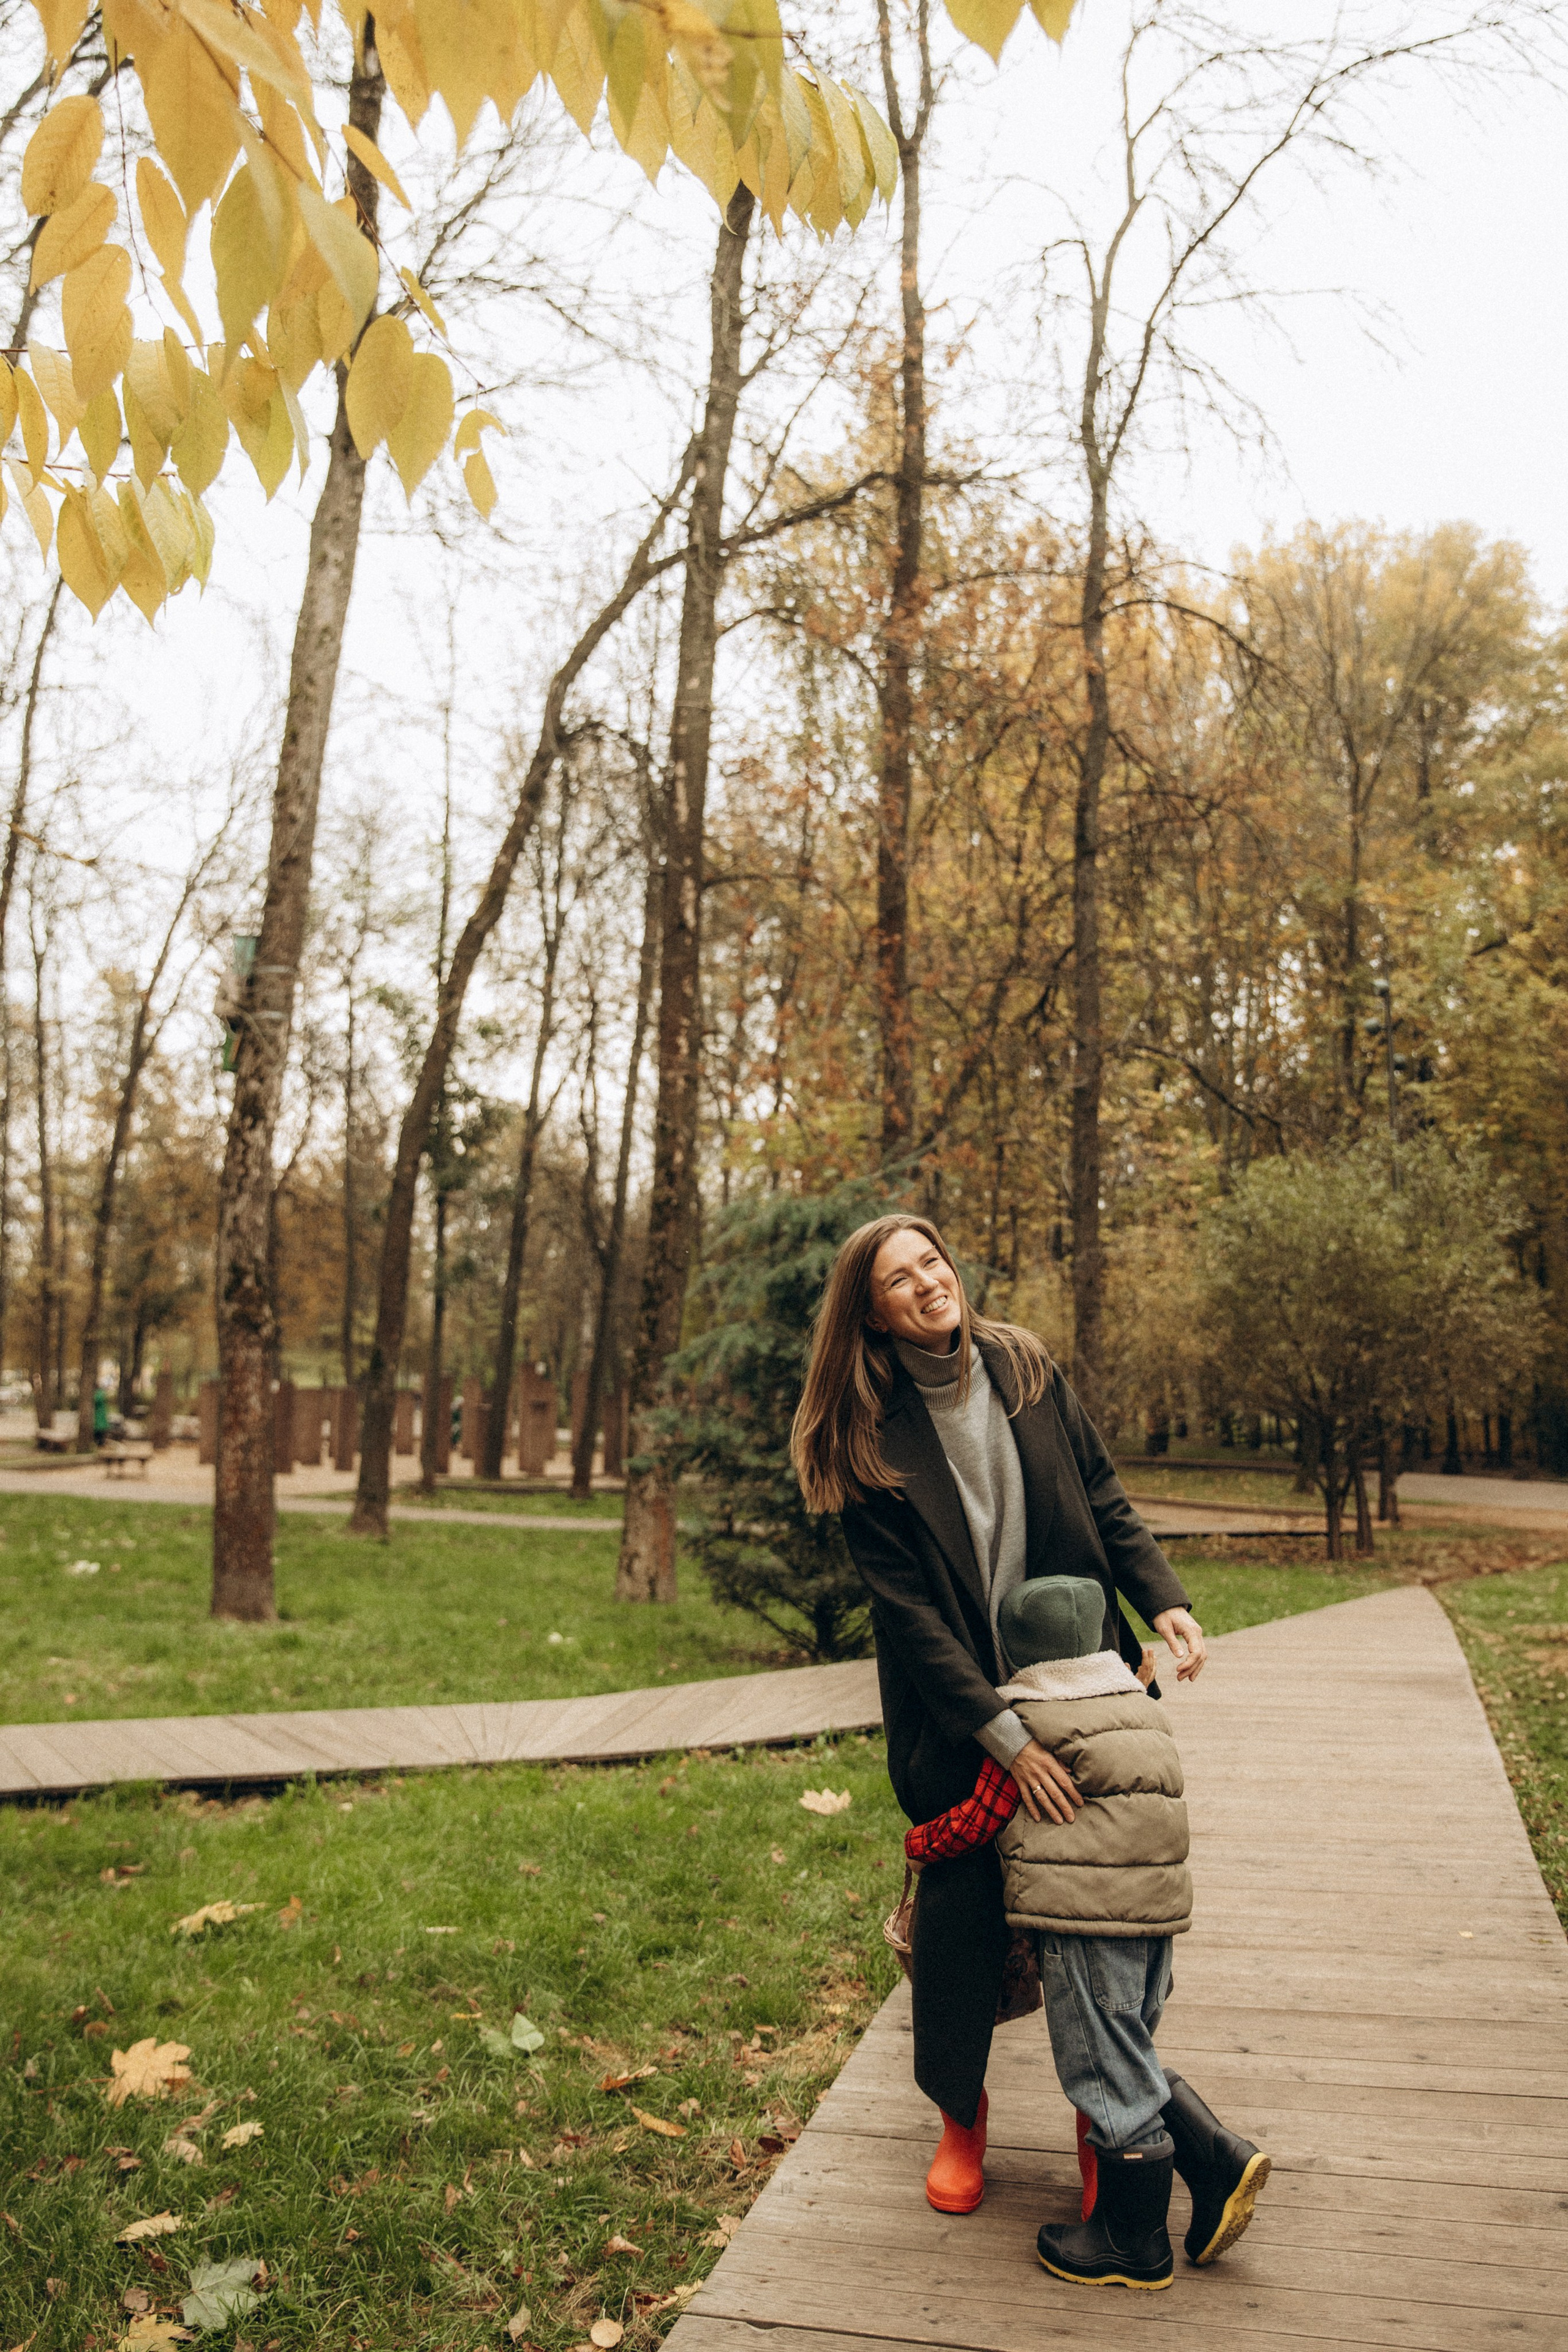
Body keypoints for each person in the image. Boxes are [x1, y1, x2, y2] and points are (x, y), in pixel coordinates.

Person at [790, 1215, 1262, 2283]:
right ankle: (962, 2118)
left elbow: (1102, 1495)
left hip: (1080, 1684)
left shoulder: (1027, 1368)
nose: (927, 1283)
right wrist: (1002, 1744)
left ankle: (1112, 2132)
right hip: (962, 1713)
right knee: (961, 1923)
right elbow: (909, 1621)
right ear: (870, 1315)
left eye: (933, 1261)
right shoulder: (863, 1439)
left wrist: (1164, 1600)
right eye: (898, 1279)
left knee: (1101, 1907)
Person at [905, 1570, 1270, 2290]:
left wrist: (920, 1845)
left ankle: (1131, 2243)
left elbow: (979, 1820)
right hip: (1157, 1918)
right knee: (1127, 2047)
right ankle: (1216, 2162)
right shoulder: (1139, 1710)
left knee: (1099, 2067)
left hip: (1084, 1921)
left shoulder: (1032, 1725)